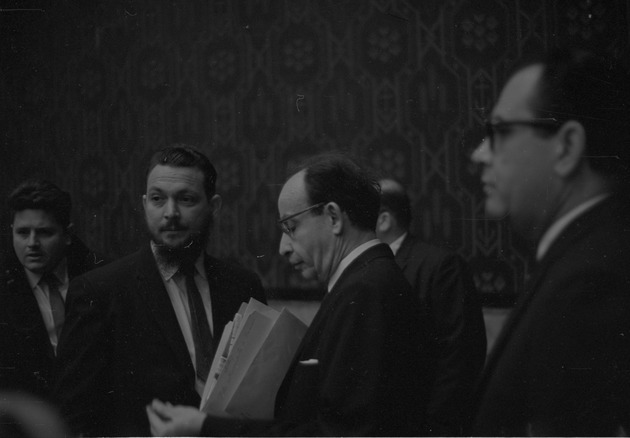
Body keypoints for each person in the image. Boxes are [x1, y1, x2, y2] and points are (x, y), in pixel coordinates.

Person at [146, 153, 435, 436]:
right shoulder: (369, 280)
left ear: (333, 217)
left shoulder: (365, 290)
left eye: (291, 227)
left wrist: (206, 427)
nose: (283, 247)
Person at [469, 47, 630, 436]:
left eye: (501, 131)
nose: (480, 154)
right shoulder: (585, 254)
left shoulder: (591, 283)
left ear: (568, 146)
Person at [54, 145, 267, 437]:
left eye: (186, 199)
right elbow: (76, 415)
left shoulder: (243, 285)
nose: (170, 213)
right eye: (157, 199)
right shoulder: (99, 291)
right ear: (144, 204)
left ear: (213, 206)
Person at [376, 178, 486, 435]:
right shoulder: (370, 268)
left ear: (383, 220)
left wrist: (433, 427)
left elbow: (461, 355)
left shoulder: (440, 266)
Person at [0, 180, 106, 402]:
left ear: (67, 235)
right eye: (22, 232)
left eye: (44, 232)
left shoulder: (101, 277)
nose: (32, 243)